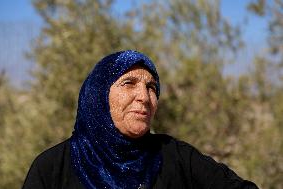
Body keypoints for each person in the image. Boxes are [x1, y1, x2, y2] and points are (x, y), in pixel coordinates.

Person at [22, 50, 258, 189]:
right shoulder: (53, 168)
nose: (144, 97)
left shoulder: (176, 157)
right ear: (98, 95)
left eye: (152, 87)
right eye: (129, 83)